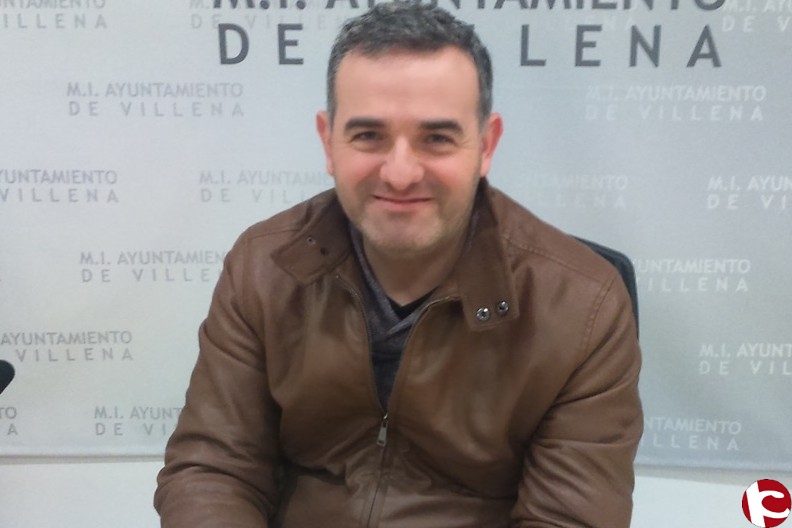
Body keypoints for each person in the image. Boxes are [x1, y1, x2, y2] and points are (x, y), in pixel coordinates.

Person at [154, 3, 642, 527]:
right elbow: (214, 469)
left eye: (437, 138)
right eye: (369, 136)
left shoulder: (585, 307)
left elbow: (568, 519)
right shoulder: (262, 268)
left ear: (486, 146)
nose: (401, 173)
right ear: (328, 141)